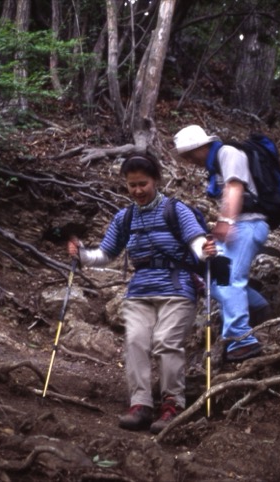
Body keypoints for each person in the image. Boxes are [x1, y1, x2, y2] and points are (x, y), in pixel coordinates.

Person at [67, 154, 216, 434]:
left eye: (142, 184)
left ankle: (172, 404)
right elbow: (105, 254)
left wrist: (204, 250)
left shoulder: (176, 210)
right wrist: (82, 255)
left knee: (166, 342)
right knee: (136, 341)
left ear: (155, 180)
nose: (137, 190)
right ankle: (141, 405)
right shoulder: (125, 218)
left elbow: (196, 242)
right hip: (140, 290)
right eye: (132, 185)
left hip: (177, 287)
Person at [172, 125, 272, 363]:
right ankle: (258, 307)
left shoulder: (228, 153)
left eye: (190, 154)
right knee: (215, 280)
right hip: (241, 224)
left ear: (201, 146)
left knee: (229, 280)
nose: (189, 160)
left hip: (249, 224)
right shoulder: (215, 163)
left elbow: (235, 186)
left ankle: (241, 340)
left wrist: (226, 221)